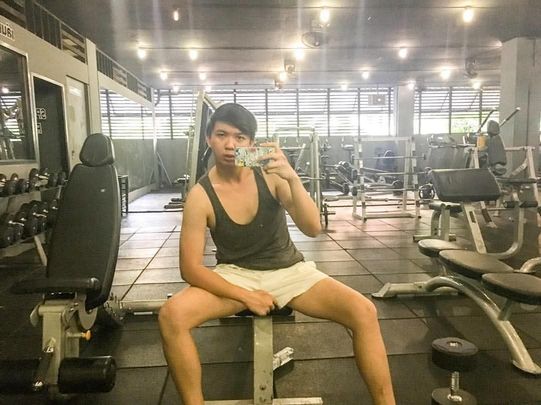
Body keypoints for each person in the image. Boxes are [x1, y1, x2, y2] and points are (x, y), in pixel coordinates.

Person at [159, 103, 396, 405]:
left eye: (240, 137)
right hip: (236, 275)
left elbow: (312, 228)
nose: (230, 145)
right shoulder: (200, 196)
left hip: (290, 271)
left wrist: (293, 178)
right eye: (221, 135)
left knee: (364, 312)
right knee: (172, 315)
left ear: (251, 143)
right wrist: (246, 296)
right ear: (209, 139)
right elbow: (190, 269)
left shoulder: (270, 176)